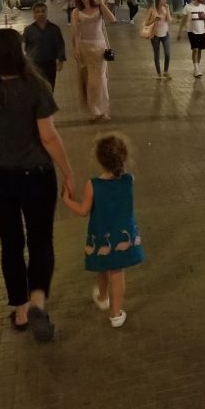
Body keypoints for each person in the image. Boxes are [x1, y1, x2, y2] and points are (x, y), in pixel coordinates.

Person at [0, 28, 76, 342]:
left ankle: (21, 310)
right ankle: (38, 301)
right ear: (19, 53)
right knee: (40, 239)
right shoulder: (35, 86)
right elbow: (49, 137)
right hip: (36, 174)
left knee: (11, 243)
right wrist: (68, 172)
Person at [61, 133, 143, 329]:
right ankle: (115, 312)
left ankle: (105, 299)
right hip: (122, 231)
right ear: (124, 157)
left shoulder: (93, 185)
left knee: (102, 266)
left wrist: (66, 200)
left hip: (101, 233)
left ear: (99, 159)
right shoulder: (129, 180)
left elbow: (83, 211)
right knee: (117, 272)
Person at [71, 0, 117, 123]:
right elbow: (75, 32)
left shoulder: (99, 8)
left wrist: (102, 4)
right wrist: (76, 48)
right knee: (88, 81)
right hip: (85, 48)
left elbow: (113, 19)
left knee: (100, 81)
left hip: (99, 48)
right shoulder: (76, 12)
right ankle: (94, 111)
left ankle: (103, 110)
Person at [23, 2, 66, 89]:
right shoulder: (28, 30)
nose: (41, 13)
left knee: (50, 86)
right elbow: (24, 46)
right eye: (37, 11)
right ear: (34, 14)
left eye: (43, 11)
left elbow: (60, 45)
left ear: (47, 13)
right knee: (35, 88)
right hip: (34, 64)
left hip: (49, 63)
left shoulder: (54, 29)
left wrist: (60, 60)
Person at [178, 0, 205, 77]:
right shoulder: (188, 7)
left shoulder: (203, 7)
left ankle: (197, 66)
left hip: (202, 31)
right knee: (195, 49)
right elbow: (183, 20)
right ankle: (196, 68)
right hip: (192, 31)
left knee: (200, 50)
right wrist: (179, 31)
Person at [142, 0, 173, 79]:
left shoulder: (166, 8)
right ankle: (159, 73)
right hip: (155, 35)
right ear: (158, 0)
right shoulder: (152, 10)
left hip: (165, 34)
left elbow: (170, 20)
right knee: (157, 54)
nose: (165, 1)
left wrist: (168, 10)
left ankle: (166, 71)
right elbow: (146, 23)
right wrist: (153, 20)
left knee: (167, 53)